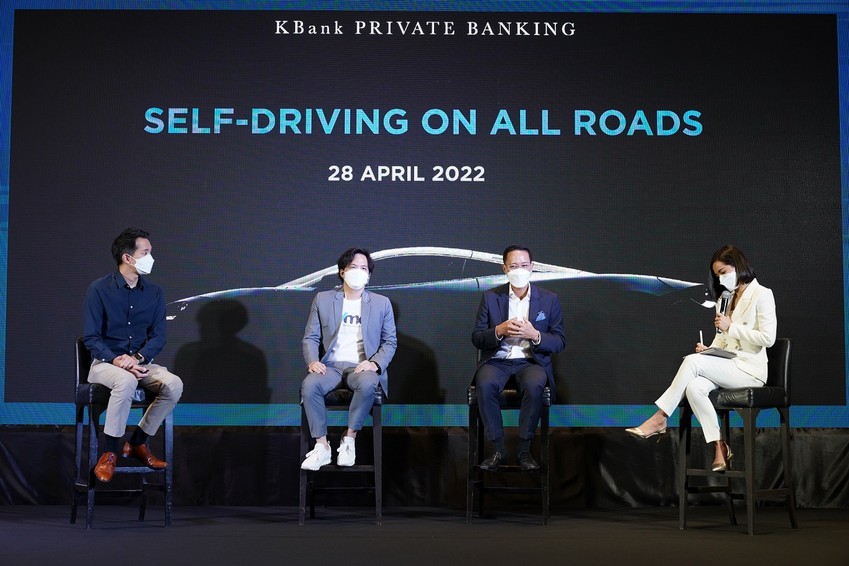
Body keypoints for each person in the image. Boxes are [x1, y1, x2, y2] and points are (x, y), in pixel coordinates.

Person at [626, 244, 776, 472]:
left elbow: (768, 338)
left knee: (691, 362)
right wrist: (709, 350)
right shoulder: (725, 299)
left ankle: (660, 417)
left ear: (738, 266)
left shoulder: (762, 294)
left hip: (750, 371)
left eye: (723, 272)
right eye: (717, 276)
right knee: (694, 387)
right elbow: (722, 340)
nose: (721, 279)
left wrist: (731, 327)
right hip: (729, 366)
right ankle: (719, 445)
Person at [83, 228, 183, 482]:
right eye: (145, 253)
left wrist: (137, 358)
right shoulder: (99, 289)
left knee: (174, 384)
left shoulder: (155, 292)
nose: (151, 258)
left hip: (139, 363)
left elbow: (158, 337)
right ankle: (110, 453)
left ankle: (137, 442)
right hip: (105, 364)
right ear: (127, 258)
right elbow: (92, 338)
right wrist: (118, 360)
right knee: (125, 380)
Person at [300, 248, 397, 470]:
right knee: (310, 385)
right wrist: (313, 361)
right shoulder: (323, 299)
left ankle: (349, 438)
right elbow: (311, 337)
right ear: (342, 272)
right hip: (330, 366)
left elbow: (390, 342)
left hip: (361, 367)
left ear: (369, 275)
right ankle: (322, 446)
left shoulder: (382, 303)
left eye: (364, 268)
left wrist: (375, 363)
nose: (358, 272)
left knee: (369, 383)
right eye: (353, 267)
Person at [471, 245, 566, 471]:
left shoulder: (549, 299)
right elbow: (477, 338)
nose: (519, 270)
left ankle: (524, 450)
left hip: (530, 362)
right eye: (514, 266)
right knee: (484, 384)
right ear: (504, 268)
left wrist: (535, 335)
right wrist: (499, 331)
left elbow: (559, 341)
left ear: (532, 267)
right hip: (498, 361)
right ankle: (497, 449)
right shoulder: (491, 297)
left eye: (524, 265)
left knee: (534, 386)